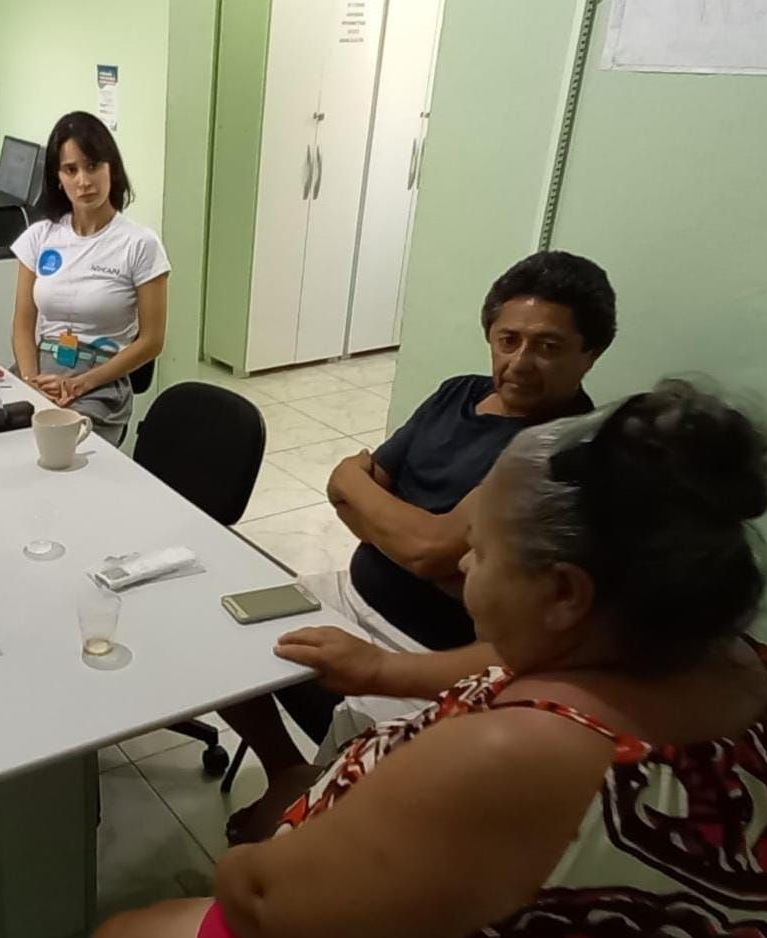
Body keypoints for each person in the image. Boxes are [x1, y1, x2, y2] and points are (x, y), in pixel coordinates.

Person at [88, 379, 767, 938]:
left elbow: (264, 907)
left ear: (565, 594)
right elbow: (519, 664)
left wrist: (256, 851)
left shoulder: (518, 758)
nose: (463, 566)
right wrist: (385, 671)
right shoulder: (752, 673)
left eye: (481, 552)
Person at [223, 251, 616, 842]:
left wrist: (388, 519)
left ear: (591, 353)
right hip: (349, 592)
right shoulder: (457, 394)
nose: (519, 362)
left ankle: (313, 808)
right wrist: (405, 534)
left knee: (362, 754)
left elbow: (421, 544)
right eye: (508, 340)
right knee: (222, 629)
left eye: (548, 347)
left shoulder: (562, 450)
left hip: (431, 648)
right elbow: (349, 491)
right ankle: (287, 772)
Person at [10, 111, 169, 444]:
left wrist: (79, 384)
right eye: (71, 170)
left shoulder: (140, 244)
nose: (83, 181)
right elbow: (23, 326)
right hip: (40, 374)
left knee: (55, 446)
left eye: (93, 166)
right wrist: (30, 381)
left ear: (112, 168)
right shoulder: (40, 237)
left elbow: (152, 341)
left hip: (100, 385)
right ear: (58, 177)